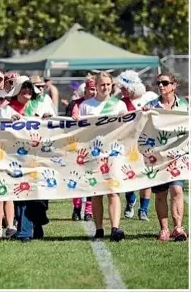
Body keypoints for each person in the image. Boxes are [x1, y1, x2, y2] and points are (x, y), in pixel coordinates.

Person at [0, 78, 55, 241]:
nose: (27, 91)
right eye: (23, 88)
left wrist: (47, 118)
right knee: (22, 193)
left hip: (39, 156)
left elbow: (54, 126)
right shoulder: (7, 110)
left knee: (39, 195)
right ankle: (24, 231)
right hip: (15, 157)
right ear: (17, 91)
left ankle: (38, 222)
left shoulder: (42, 105)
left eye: (30, 88)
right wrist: (8, 123)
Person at [76, 72, 126, 242]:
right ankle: (98, 229)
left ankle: (115, 228)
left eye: (108, 84)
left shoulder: (119, 105)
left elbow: (128, 125)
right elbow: (80, 130)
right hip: (93, 152)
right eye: (102, 84)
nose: (105, 88)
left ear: (112, 86)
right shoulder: (86, 105)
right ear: (95, 86)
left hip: (113, 152)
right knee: (96, 192)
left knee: (113, 191)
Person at [143, 73, 188, 242]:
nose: (161, 86)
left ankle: (178, 227)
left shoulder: (185, 106)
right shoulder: (151, 105)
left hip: (179, 155)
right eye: (158, 83)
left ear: (174, 85)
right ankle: (164, 229)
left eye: (165, 83)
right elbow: (139, 123)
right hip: (158, 156)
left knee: (177, 190)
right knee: (160, 193)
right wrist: (143, 114)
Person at [115, 70, 158, 221]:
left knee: (146, 176)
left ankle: (143, 209)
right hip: (129, 144)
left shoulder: (151, 97)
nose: (122, 91)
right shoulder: (122, 102)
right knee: (130, 174)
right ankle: (130, 201)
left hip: (148, 142)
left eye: (124, 88)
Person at [65, 75, 97, 221]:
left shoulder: (100, 104)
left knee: (91, 178)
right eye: (91, 89)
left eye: (96, 89)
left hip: (94, 146)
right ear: (85, 90)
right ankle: (77, 208)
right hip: (77, 147)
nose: (94, 92)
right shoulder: (75, 104)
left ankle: (89, 210)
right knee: (76, 177)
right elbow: (65, 125)